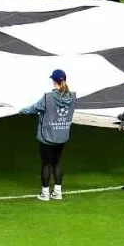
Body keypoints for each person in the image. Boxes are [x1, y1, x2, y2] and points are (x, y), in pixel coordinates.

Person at [20, 69, 75, 201]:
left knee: (46, 164)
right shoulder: (72, 97)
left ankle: (45, 193)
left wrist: (21, 110)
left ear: (54, 81)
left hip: (47, 136)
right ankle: (57, 192)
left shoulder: (48, 97)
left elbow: (34, 108)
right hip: (62, 135)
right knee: (57, 162)